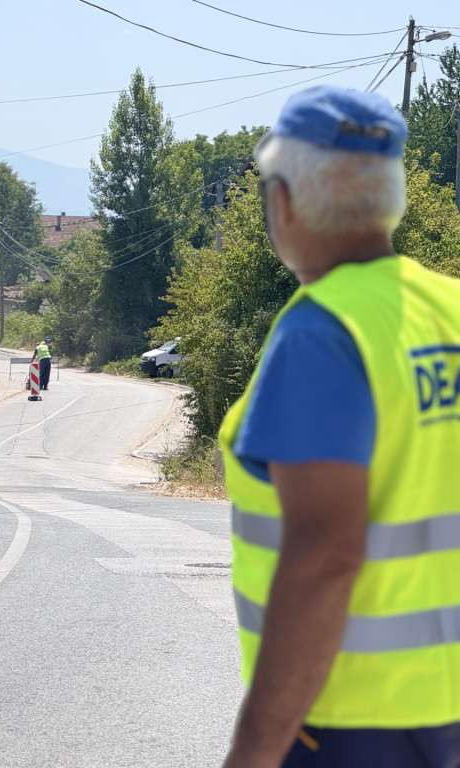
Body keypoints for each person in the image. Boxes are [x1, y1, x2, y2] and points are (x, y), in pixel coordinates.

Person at [220, 86, 460, 767]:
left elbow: (325, 559)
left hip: (350, 723)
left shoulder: (322, 331)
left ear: (284, 200)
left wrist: (254, 753)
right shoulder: (450, 309)